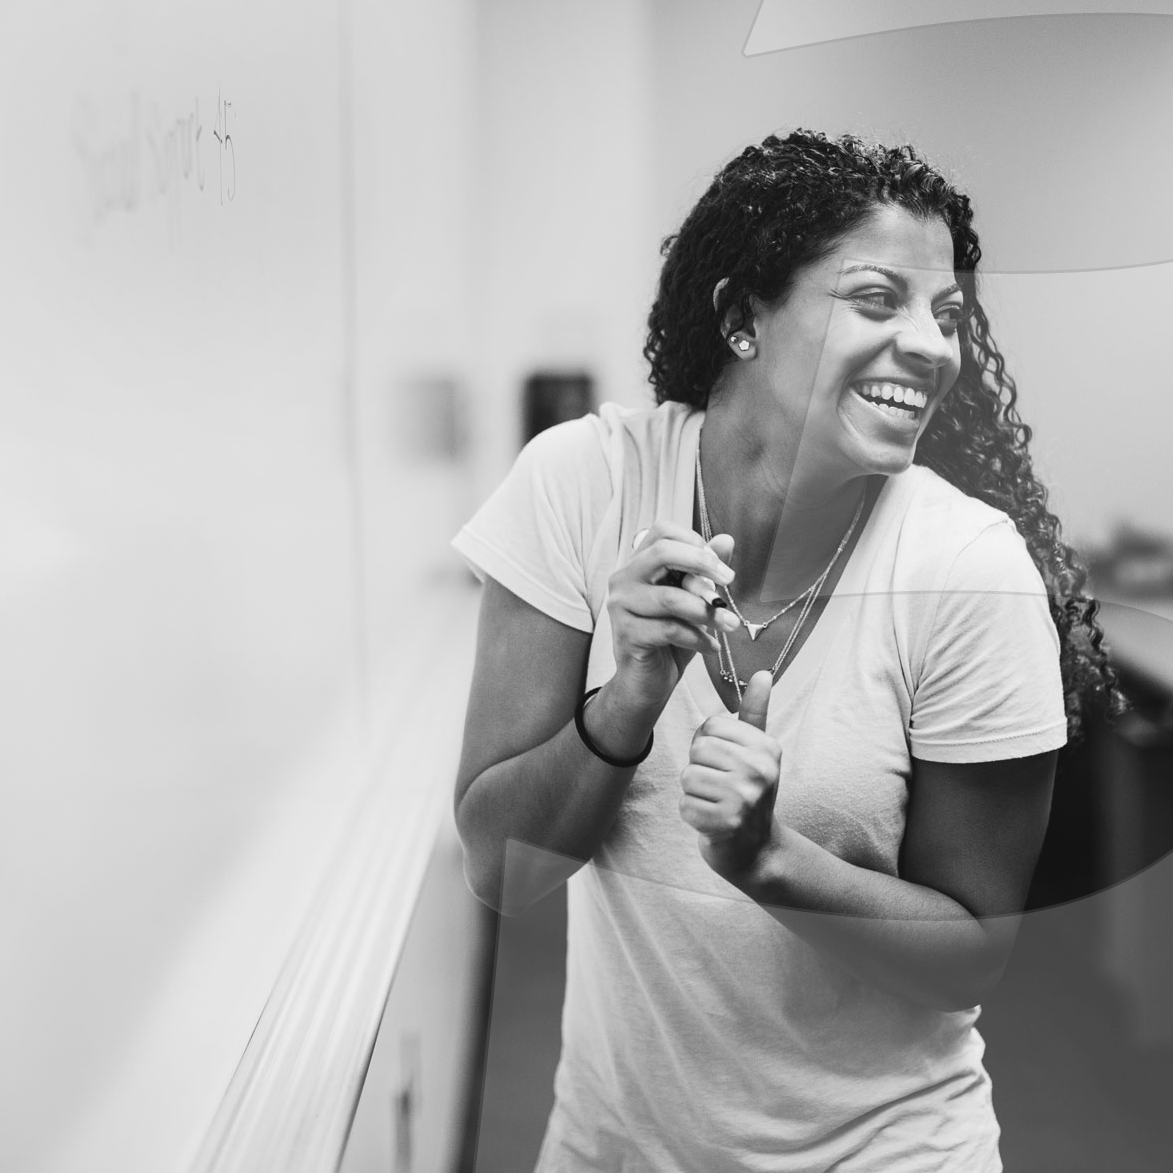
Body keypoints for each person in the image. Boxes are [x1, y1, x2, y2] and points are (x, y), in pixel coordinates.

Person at [451, 131, 1120, 1171]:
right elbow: (500, 869)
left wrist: (770, 859)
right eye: (875, 299)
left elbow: (968, 952)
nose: (932, 345)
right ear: (739, 318)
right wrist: (621, 705)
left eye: (946, 316)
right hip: (614, 1147)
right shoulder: (582, 483)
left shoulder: (966, 569)